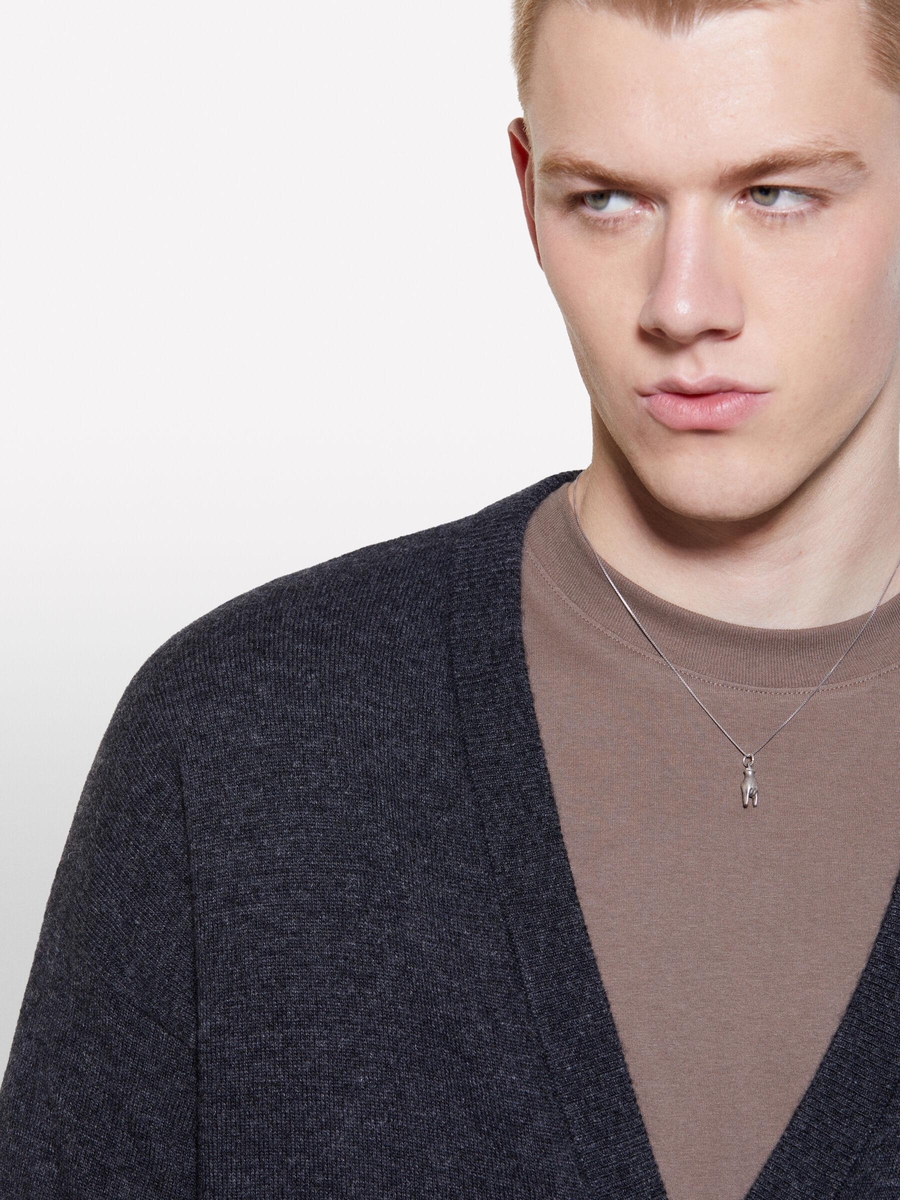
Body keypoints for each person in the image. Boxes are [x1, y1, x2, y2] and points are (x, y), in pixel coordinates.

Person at [4, 0, 900, 1195]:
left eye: (776, 195)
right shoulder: (237, 743)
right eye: (608, 200)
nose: (684, 304)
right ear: (527, 191)